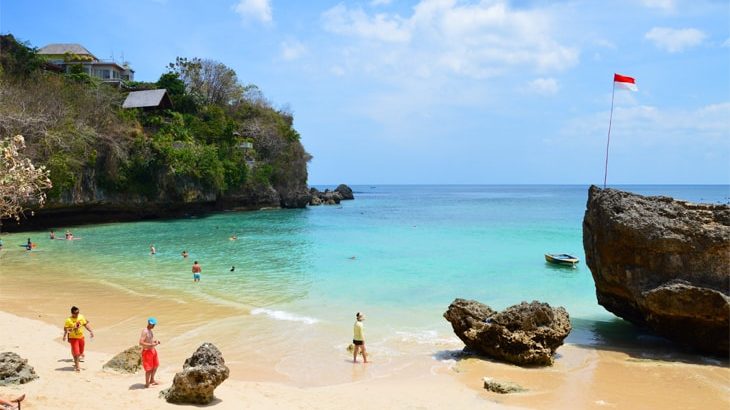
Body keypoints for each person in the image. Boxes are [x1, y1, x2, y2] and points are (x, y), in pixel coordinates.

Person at [63, 306, 94, 372]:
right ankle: (77, 366)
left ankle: (76, 360)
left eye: (78, 312)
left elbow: (85, 324)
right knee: (76, 353)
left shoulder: (81, 317)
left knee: (81, 352)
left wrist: (91, 331)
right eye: (76, 313)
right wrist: (68, 333)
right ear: (72, 313)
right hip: (73, 338)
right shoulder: (68, 320)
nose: (77, 314)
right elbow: (65, 329)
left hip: (81, 337)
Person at [139, 317, 161, 388]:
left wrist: (155, 342)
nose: (153, 325)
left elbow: (149, 340)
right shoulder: (145, 331)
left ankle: (152, 380)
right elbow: (141, 342)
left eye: (154, 324)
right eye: (152, 324)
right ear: (148, 323)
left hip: (153, 350)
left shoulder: (150, 331)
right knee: (148, 369)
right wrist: (151, 345)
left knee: (156, 365)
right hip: (147, 352)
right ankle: (147, 384)